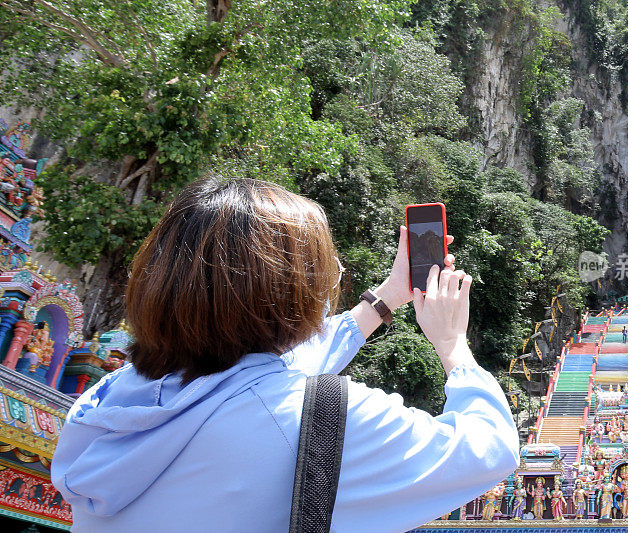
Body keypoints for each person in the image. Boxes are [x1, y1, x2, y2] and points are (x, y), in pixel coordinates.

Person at [50, 178, 519, 532]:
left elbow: (271, 370)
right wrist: (453, 344)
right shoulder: (324, 419)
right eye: (327, 272)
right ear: (294, 292)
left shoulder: (114, 397)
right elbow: (488, 450)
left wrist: (387, 297)